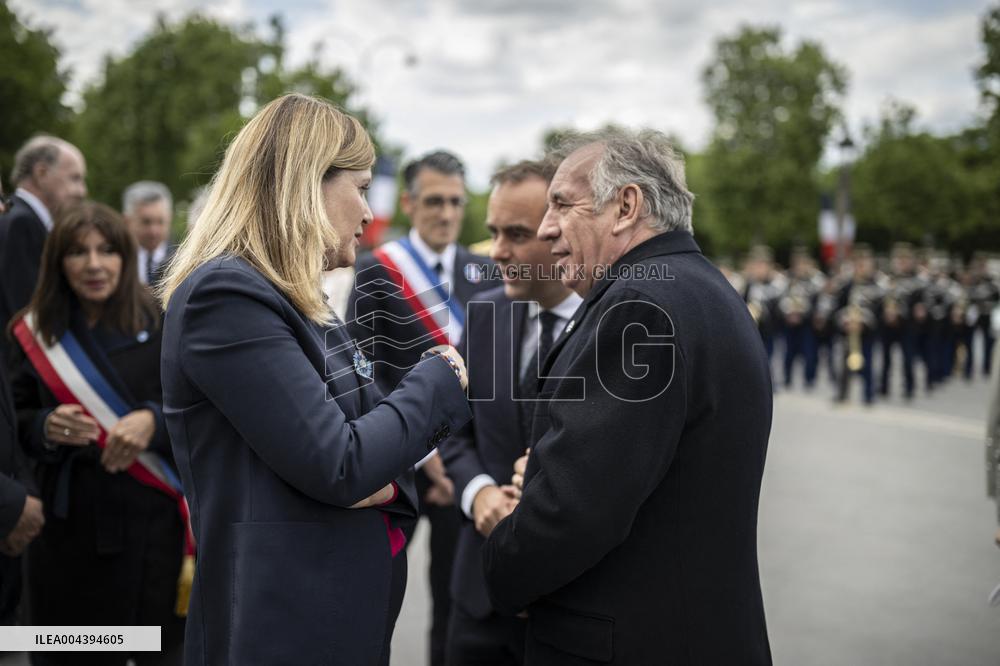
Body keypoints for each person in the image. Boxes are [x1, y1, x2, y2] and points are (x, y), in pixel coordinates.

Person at [158, 93, 472, 666]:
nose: (369, 214)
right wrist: (438, 374)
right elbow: (345, 463)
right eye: (360, 186)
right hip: (279, 625)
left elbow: (367, 443)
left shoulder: (298, 298)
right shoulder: (226, 295)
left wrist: (366, 458)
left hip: (320, 613)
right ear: (305, 185)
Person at [482, 128, 773, 665]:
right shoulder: (699, 288)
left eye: (562, 204)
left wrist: (505, 552)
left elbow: (576, 511)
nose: (546, 230)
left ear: (626, 206)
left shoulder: (638, 307)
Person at [8, 201, 184, 664]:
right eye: (78, 252)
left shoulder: (160, 317)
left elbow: (200, 406)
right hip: (67, 531)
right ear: (56, 261)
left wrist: (153, 420)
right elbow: (12, 422)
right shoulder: (31, 332)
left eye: (106, 250)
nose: (93, 264)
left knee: (156, 650)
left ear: (124, 257)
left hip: (150, 526)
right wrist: (45, 426)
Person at [347, 150, 494, 666]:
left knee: (458, 609)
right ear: (409, 203)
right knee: (373, 599)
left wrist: (460, 457)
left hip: (465, 470)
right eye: (434, 201)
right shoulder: (374, 271)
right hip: (401, 463)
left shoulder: (486, 272)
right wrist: (421, 451)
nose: (447, 213)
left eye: (456, 201)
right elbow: (363, 374)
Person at [440, 159, 580, 665]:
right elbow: (453, 430)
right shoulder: (486, 314)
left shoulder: (608, 324)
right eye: (494, 232)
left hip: (569, 611)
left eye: (517, 234)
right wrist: (477, 496)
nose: (498, 252)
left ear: (559, 229)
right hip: (477, 601)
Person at [0, 136, 87, 360]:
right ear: (41, 173)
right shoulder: (21, 222)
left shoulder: (20, 218)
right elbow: (26, 313)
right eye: (75, 178)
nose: (81, 191)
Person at [122, 181, 175, 288]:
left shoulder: (181, 259)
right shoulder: (118, 259)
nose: (153, 231)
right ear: (127, 221)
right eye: (146, 222)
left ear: (170, 218)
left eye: (160, 222)